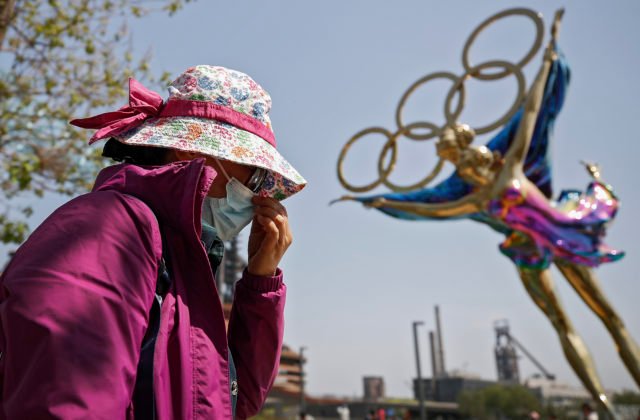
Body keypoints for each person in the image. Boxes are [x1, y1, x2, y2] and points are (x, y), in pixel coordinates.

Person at [0, 65, 306, 419]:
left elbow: (230, 402)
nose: (255, 193)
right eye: (252, 171)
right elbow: (65, 403)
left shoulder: (179, 259)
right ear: (193, 153)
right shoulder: (112, 230)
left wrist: (260, 280)